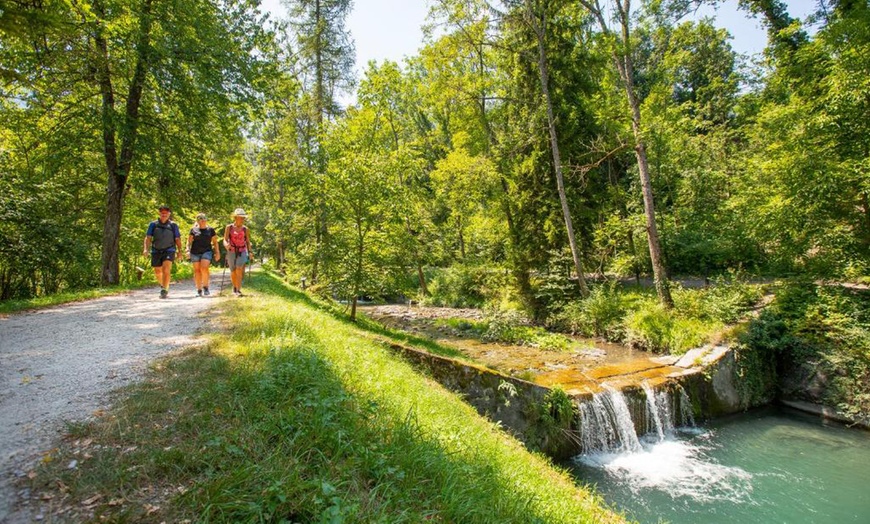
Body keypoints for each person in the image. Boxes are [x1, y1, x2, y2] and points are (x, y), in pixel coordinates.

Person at [143, 205, 182, 299]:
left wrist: (180, 251)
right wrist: (146, 249)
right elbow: (148, 238)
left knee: (166, 270)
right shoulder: (153, 224)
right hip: (156, 250)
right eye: (162, 212)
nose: (164, 214)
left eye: (166, 212)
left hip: (169, 249)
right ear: (159, 213)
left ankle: (164, 290)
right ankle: (163, 285)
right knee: (157, 271)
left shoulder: (173, 225)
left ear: (169, 214)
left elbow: (177, 239)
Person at [186, 213, 221, 296]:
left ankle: (206, 287)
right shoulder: (193, 230)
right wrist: (187, 249)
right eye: (200, 219)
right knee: (197, 271)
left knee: (204, 268)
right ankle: (199, 290)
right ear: (197, 221)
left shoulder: (210, 230)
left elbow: (215, 243)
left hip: (207, 251)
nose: (202, 220)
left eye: (204, 218)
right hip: (195, 252)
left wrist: (217, 253)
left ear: (206, 220)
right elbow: (189, 241)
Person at [223, 208, 253, 296]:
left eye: (243, 217)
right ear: (235, 217)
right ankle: (234, 287)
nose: (242, 219)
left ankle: (238, 290)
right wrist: (226, 245)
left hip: (242, 250)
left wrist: (250, 251)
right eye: (241, 217)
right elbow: (225, 239)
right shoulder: (229, 227)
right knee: (233, 270)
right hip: (231, 250)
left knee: (239, 268)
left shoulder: (245, 229)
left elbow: (247, 241)